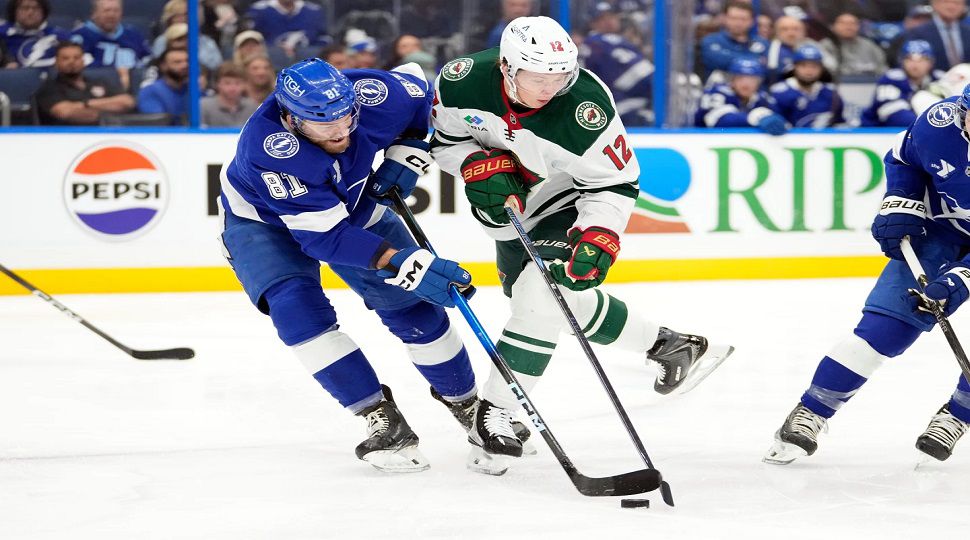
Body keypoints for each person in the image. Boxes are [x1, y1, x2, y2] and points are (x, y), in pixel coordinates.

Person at [430, 16, 734, 473]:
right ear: (508, 69)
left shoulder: (585, 107)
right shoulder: (461, 82)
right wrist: (475, 164)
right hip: (508, 212)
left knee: (540, 296)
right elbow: (444, 142)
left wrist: (600, 233)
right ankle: (668, 345)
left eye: (560, 75)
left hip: (569, 199)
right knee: (552, 302)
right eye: (538, 77)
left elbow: (616, 182)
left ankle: (496, 413)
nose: (551, 87)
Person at [218, 57, 484, 472]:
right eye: (326, 126)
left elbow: (418, 87)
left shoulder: (373, 95)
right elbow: (325, 238)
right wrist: (406, 262)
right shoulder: (270, 152)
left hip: (353, 205)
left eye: (347, 118)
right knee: (296, 312)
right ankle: (379, 417)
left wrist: (409, 148)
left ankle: (470, 407)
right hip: (263, 221)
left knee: (412, 307)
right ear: (291, 118)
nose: (342, 131)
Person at [764, 84, 970, 465]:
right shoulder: (940, 124)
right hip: (940, 231)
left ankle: (958, 415)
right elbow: (904, 157)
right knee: (882, 330)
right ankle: (812, 410)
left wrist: (959, 280)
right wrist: (902, 203)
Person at [580, 1, 654, 126]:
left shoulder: (618, 41)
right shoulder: (594, 44)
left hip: (630, 99)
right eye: (602, 18)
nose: (609, 21)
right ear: (592, 23)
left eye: (612, 16)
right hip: (617, 105)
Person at [34, 41, 134, 125]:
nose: (71, 62)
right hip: (65, 137)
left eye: (76, 58)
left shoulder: (99, 82)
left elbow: (127, 101)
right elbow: (65, 112)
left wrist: (85, 104)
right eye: (65, 58)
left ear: (83, 61)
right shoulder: (49, 87)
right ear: (56, 62)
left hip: (106, 135)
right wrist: (106, 108)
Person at [694, 57, 788, 135]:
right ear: (732, 80)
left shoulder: (763, 99)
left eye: (751, 79)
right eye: (740, 78)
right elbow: (720, 121)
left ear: (759, 81)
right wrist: (754, 117)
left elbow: (783, 122)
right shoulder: (717, 92)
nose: (746, 83)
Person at [861, 40, 943, 127]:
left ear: (931, 62)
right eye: (909, 59)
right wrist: (929, 126)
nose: (915, 65)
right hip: (879, 134)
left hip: (921, 132)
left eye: (922, 60)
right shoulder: (890, 80)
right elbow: (897, 117)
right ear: (902, 61)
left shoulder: (940, 79)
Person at [769, 43, 844, 128]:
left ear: (822, 68)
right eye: (803, 66)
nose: (809, 71)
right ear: (794, 67)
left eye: (814, 66)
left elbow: (839, 124)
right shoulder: (779, 93)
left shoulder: (831, 94)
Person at [70, 0, 152, 71]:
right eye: (107, 10)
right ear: (94, 14)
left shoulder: (133, 35)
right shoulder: (81, 36)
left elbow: (149, 61)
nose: (111, 15)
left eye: (116, 11)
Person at [699, 1, 768, 82]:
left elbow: (768, 68)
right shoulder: (711, 41)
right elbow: (716, 61)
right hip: (719, 90)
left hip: (754, 92)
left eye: (743, 19)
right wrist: (755, 61)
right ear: (724, 18)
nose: (738, 23)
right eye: (733, 18)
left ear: (752, 21)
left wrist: (731, 58)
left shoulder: (762, 43)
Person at [896, 0, 970, 71]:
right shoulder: (917, 33)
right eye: (946, 1)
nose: (951, 6)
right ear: (934, 4)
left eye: (957, 3)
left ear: (964, 7)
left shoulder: (968, 32)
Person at [0, 0, 70, 68]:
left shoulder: (59, 36)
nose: (30, 12)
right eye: (25, 8)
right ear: (14, 11)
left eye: (36, 8)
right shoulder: (2, 33)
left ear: (44, 12)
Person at [819, 12, 888, 78]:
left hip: (868, 84)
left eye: (853, 23)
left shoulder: (869, 45)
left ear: (858, 27)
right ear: (834, 26)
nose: (848, 27)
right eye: (843, 23)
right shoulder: (825, 45)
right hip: (838, 85)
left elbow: (883, 67)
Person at [244, 0, 326, 56]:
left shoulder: (313, 10)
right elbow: (250, 40)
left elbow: (324, 38)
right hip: (270, 61)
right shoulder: (259, 10)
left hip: (307, 62)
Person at [136, 47, 188, 125]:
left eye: (187, 61)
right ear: (163, 66)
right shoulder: (150, 91)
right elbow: (157, 123)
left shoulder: (195, 90)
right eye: (177, 62)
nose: (185, 65)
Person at [201, 61, 257, 127]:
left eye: (237, 83)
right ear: (217, 84)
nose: (232, 88)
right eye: (227, 83)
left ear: (244, 84)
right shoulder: (204, 106)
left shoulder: (252, 107)